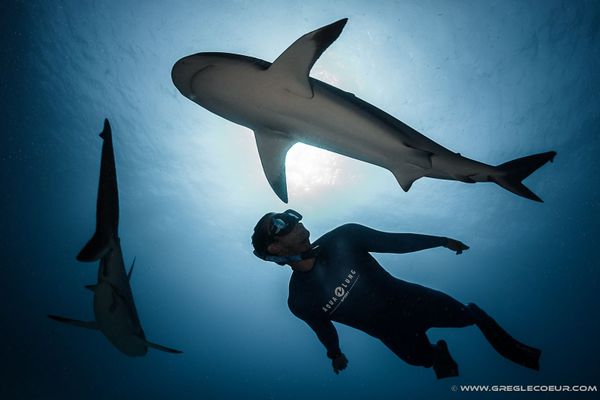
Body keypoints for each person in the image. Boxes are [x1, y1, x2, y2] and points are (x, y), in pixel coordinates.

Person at [251, 209, 541, 379]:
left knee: (469, 317)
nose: (296, 222)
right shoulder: (299, 301)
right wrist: (334, 354)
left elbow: (395, 242)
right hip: (393, 335)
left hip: (416, 302)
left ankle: (515, 350)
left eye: (292, 217)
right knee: (423, 362)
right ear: (273, 249)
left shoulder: (344, 238)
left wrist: (440, 241)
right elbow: (322, 328)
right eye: (281, 224)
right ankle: (437, 352)